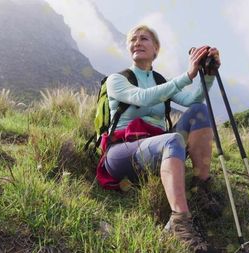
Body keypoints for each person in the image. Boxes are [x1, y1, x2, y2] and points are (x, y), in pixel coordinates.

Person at [103, 24, 221, 253]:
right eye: (133, 39)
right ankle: (179, 223)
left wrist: (207, 76)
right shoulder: (117, 79)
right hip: (121, 153)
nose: (137, 42)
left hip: (159, 149)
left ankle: (201, 188)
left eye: (144, 38)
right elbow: (142, 98)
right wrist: (187, 75)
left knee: (200, 111)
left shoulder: (160, 80)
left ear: (156, 49)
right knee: (172, 140)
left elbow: (193, 100)